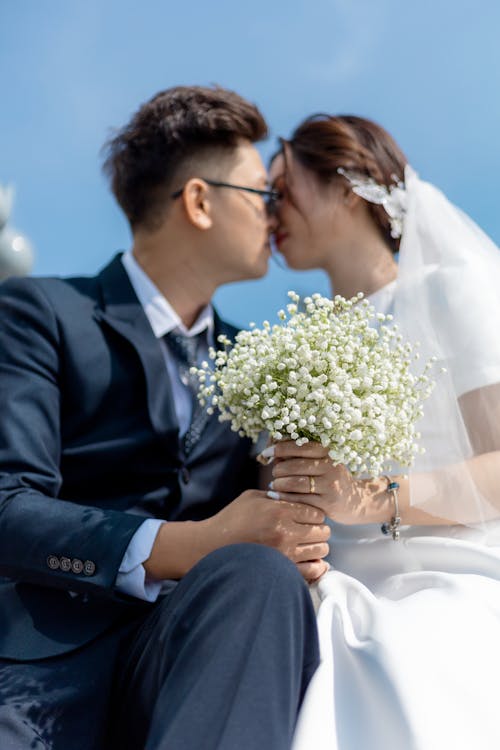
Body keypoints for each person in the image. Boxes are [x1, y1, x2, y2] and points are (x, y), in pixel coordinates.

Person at [0, 86, 332, 750]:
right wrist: (191, 544)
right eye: (258, 195)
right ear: (200, 201)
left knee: (260, 576)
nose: (274, 214)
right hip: (43, 667)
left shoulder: (260, 360)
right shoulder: (37, 312)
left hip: (204, 657)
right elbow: (7, 505)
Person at [265, 115, 500, 749]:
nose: (269, 209)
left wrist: (370, 498)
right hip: (318, 584)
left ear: (348, 185)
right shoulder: (286, 347)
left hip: (440, 577)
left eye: (282, 186)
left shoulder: (454, 290)